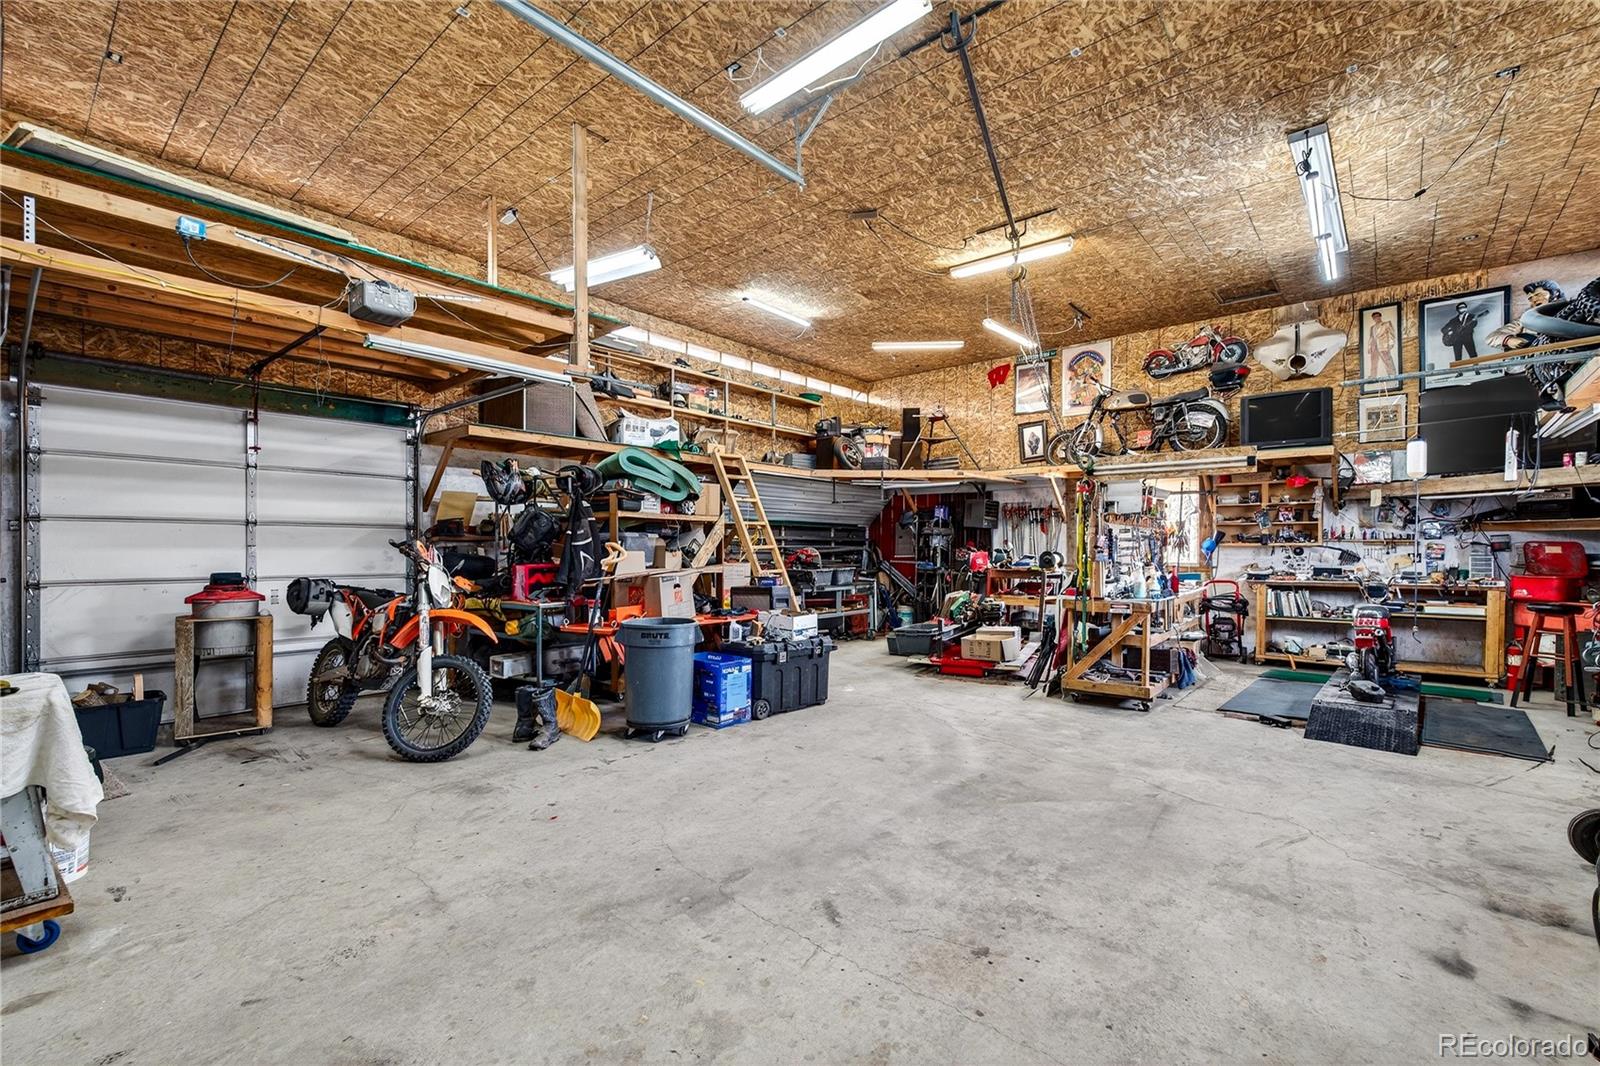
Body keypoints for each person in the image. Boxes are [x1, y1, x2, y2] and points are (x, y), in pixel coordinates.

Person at [1365, 311, 1397, 379]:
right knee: (1374, 362)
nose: (1376, 318)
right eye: (1374, 317)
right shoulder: (1372, 328)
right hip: (1374, 347)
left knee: (1387, 360)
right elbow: (1371, 337)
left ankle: (1392, 374)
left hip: (1383, 346)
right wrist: (1369, 347)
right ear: (1373, 319)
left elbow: (1392, 334)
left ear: (1380, 316)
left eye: (1377, 316)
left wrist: (1391, 344)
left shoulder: (1386, 324)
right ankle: (1373, 376)